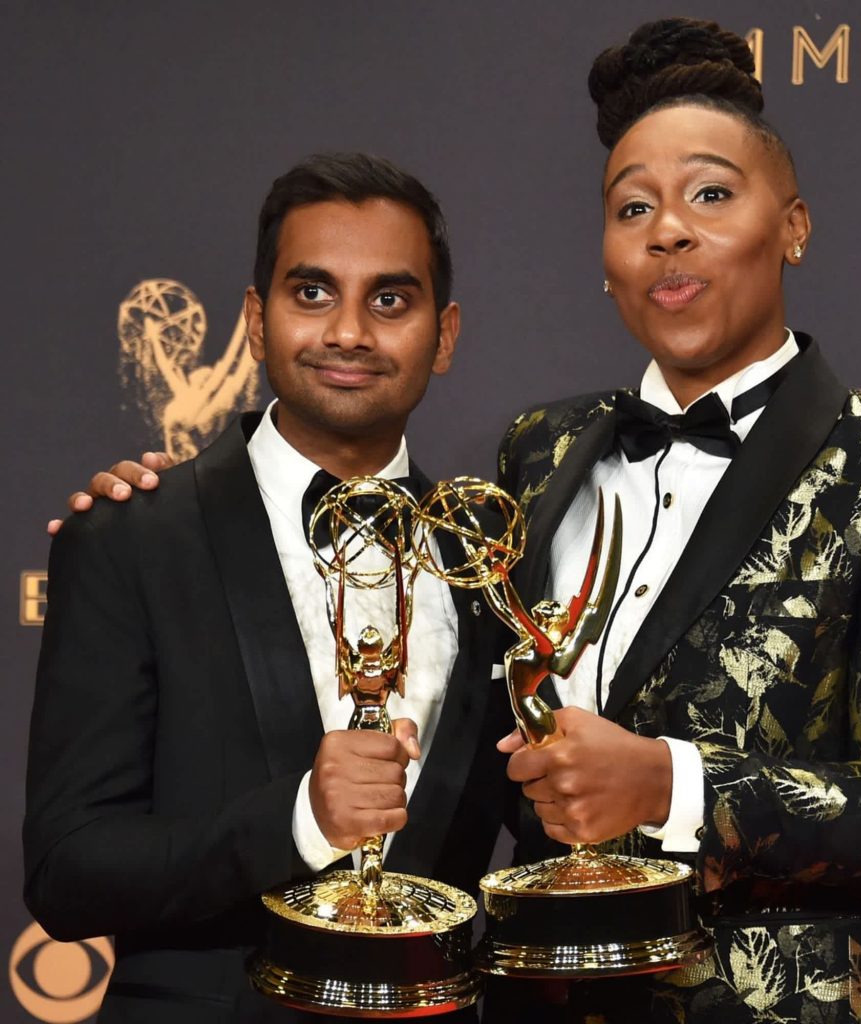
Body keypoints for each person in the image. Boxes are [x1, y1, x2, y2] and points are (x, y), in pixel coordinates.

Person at [488, 17, 861, 1024]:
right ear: (606, 258)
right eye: (632, 207)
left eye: (711, 194)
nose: (667, 231)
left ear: (794, 226)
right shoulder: (538, 450)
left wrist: (670, 783)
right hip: (553, 994)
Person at [24, 153, 508, 1023]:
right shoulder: (132, 535)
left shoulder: (488, 557)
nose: (349, 332)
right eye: (312, 293)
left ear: (444, 335)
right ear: (256, 319)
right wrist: (300, 820)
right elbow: (68, 871)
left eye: (390, 300)